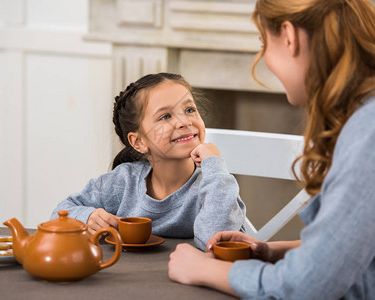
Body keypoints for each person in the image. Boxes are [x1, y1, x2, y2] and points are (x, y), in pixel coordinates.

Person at [168, 0, 375, 298]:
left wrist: (206, 270)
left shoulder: (366, 133)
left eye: (264, 43)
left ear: (289, 37)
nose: (264, 58)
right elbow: (355, 243)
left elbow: (307, 286)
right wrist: (271, 251)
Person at [51, 72, 246, 250]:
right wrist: (87, 217)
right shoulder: (122, 182)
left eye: (189, 109)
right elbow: (59, 214)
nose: (185, 122)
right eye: (165, 116)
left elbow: (216, 244)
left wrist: (216, 167)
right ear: (139, 142)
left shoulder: (215, 186)